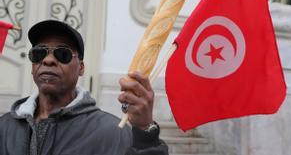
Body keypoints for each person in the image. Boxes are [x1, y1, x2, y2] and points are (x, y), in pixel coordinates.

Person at [0, 20, 168, 155]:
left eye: (62, 54)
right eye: (39, 53)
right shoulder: (5, 126)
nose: (48, 60)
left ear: (81, 67)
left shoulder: (112, 132)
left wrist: (146, 133)